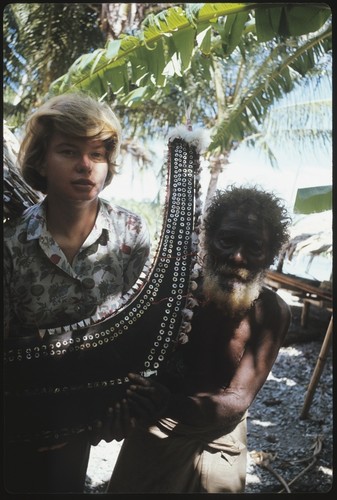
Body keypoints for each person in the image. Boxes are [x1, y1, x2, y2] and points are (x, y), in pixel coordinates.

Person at [3, 92, 151, 493]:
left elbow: (138, 332)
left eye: (98, 154)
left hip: (90, 417)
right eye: (69, 151)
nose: (86, 165)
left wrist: (123, 403)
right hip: (17, 416)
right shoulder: (10, 243)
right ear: (40, 161)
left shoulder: (130, 234)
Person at [107, 185, 292, 494]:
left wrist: (166, 402)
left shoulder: (270, 312)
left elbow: (237, 401)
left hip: (221, 441)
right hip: (155, 429)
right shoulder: (175, 290)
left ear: (270, 254)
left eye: (254, 247)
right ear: (208, 241)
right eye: (227, 241)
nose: (237, 256)